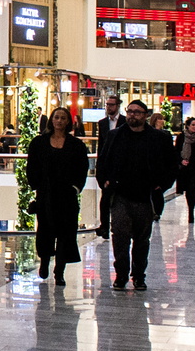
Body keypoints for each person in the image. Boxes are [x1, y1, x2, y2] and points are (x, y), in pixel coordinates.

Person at [97, 100, 174, 290]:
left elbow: (171, 165)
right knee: (120, 236)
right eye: (130, 112)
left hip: (145, 196)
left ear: (146, 115)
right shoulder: (115, 136)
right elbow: (103, 161)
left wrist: (161, 186)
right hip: (120, 195)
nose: (132, 115)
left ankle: (139, 275)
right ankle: (121, 274)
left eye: (137, 112)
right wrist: (105, 182)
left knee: (141, 239)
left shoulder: (158, 138)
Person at [25, 105, 89, 283]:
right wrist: (37, 186)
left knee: (65, 234)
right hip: (46, 195)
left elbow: (82, 169)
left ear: (68, 121)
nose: (59, 121)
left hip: (67, 197)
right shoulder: (39, 143)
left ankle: (59, 271)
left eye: (63, 118)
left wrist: (75, 188)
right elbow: (32, 167)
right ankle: (44, 262)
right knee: (45, 232)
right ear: (51, 120)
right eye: (56, 117)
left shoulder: (76, 145)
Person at [91, 93, 123, 239]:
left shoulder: (124, 122)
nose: (109, 107)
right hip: (106, 165)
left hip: (120, 165)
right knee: (105, 199)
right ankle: (104, 226)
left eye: (111, 105)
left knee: (118, 200)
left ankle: (117, 226)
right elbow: (101, 146)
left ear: (117, 106)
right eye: (107, 105)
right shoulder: (103, 123)